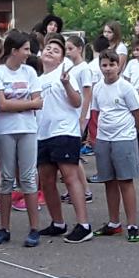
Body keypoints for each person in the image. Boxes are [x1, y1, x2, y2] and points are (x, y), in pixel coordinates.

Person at [0, 31, 47, 248]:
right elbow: (1, 105)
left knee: (28, 177)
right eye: (25, 49)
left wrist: (17, 105)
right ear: (14, 51)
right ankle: (4, 228)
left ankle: (34, 228)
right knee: (6, 178)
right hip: (4, 130)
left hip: (28, 129)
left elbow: (39, 101)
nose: (29, 53)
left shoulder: (30, 72)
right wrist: (28, 104)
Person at [33, 36, 92, 242]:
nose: (50, 51)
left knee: (69, 177)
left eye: (56, 50)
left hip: (64, 131)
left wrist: (66, 84)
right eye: (48, 48)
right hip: (43, 133)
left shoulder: (65, 75)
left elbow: (77, 102)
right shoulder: (37, 80)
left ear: (61, 59)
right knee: (47, 180)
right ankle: (57, 223)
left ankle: (84, 225)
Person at [86, 47, 139, 241]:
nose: (108, 68)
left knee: (125, 181)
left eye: (112, 64)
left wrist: (132, 133)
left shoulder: (126, 87)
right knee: (108, 181)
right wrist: (94, 137)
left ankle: (132, 224)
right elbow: (96, 113)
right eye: (104, 65)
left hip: (124, 138)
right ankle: (113, 222)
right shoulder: (97, 88)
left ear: (118, 66)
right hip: (104, 138)